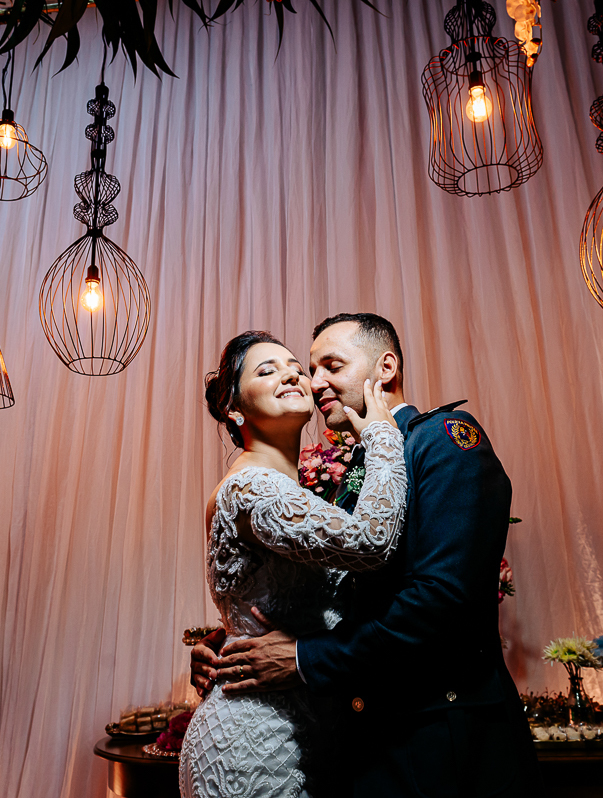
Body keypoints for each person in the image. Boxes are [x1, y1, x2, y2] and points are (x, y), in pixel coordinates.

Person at [192, 314, 538, 797]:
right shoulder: (362, 469)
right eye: (311, 370)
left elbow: (441, 602)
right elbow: (335, 587)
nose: (314, 383)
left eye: (330, 365)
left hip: (443, 740)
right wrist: (232, 641)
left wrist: (304, 658)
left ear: (386, 367)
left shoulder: (441, 440)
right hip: (367, 743)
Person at [180, 330, 409, 798]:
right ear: (234, 410)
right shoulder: (252, 488)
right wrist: (384, 433)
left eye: (293, 367)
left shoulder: (289, 492)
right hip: (254, 746)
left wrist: (224, 639)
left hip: (302, 731)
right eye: (267, 371)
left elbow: (274, 599)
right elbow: (371, 542)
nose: (291, 374)